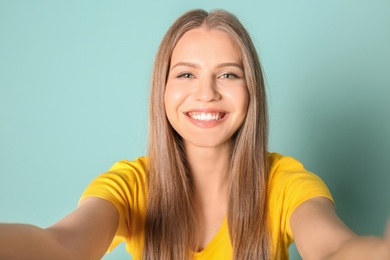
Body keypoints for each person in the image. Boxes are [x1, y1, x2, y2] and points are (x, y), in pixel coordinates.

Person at [1, 8, 389, 260]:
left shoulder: (283, 182)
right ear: (163, 90)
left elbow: (335, 248)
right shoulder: (131, 183)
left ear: (251, 90)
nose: (206, 93)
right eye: (186, 74)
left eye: (228, 74)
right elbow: (62, 245)